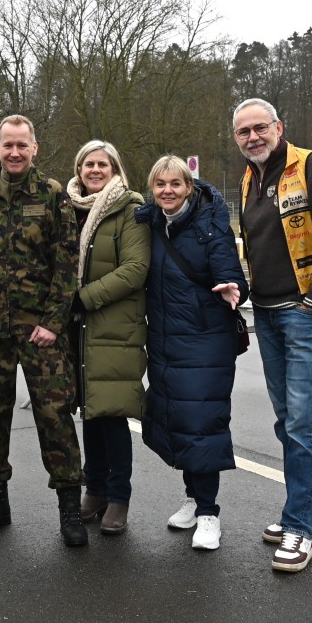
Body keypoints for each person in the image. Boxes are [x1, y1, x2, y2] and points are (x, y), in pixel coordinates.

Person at [233, 98, 312, 572]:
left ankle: (299, 527)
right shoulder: (249, 178)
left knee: (303, 422)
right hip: (266, 313)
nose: (252, 137)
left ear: (278, 126)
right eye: (243, 132)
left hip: (308, 313)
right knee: (290, 421)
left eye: (260, 128)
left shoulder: (311, 166)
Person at [0, 114, 87, 547]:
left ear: (35, 148)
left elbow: (66, 266)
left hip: (41, 331)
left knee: (55, 417)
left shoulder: (53, 196)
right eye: (7, 145)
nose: (14, 152)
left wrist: (53, 323)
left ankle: (70, 506)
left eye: (22, 145)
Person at [135, 155, 249, 551]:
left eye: (176, 184)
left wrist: (233, 287)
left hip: (205, 338)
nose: (168, 190)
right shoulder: (148, 222)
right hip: (166, 339)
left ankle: (209, 514)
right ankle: (192, 498)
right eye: (160, 184)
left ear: (189, 186)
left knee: (202, 423)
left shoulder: (209, 223)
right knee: (177, 419)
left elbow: (228, 269)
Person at [65, 140, 149, 536]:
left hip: (114, 327)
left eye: (102, 164)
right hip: (79, 330)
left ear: (115, 169)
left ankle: (119, 498)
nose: (94, 170)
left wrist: (83, 298)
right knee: (89, 412)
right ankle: (94, 489)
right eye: (87, 164)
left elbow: (135, 269)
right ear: (79, 170)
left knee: (112, 415)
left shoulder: (128, 210)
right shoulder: (71, 210)